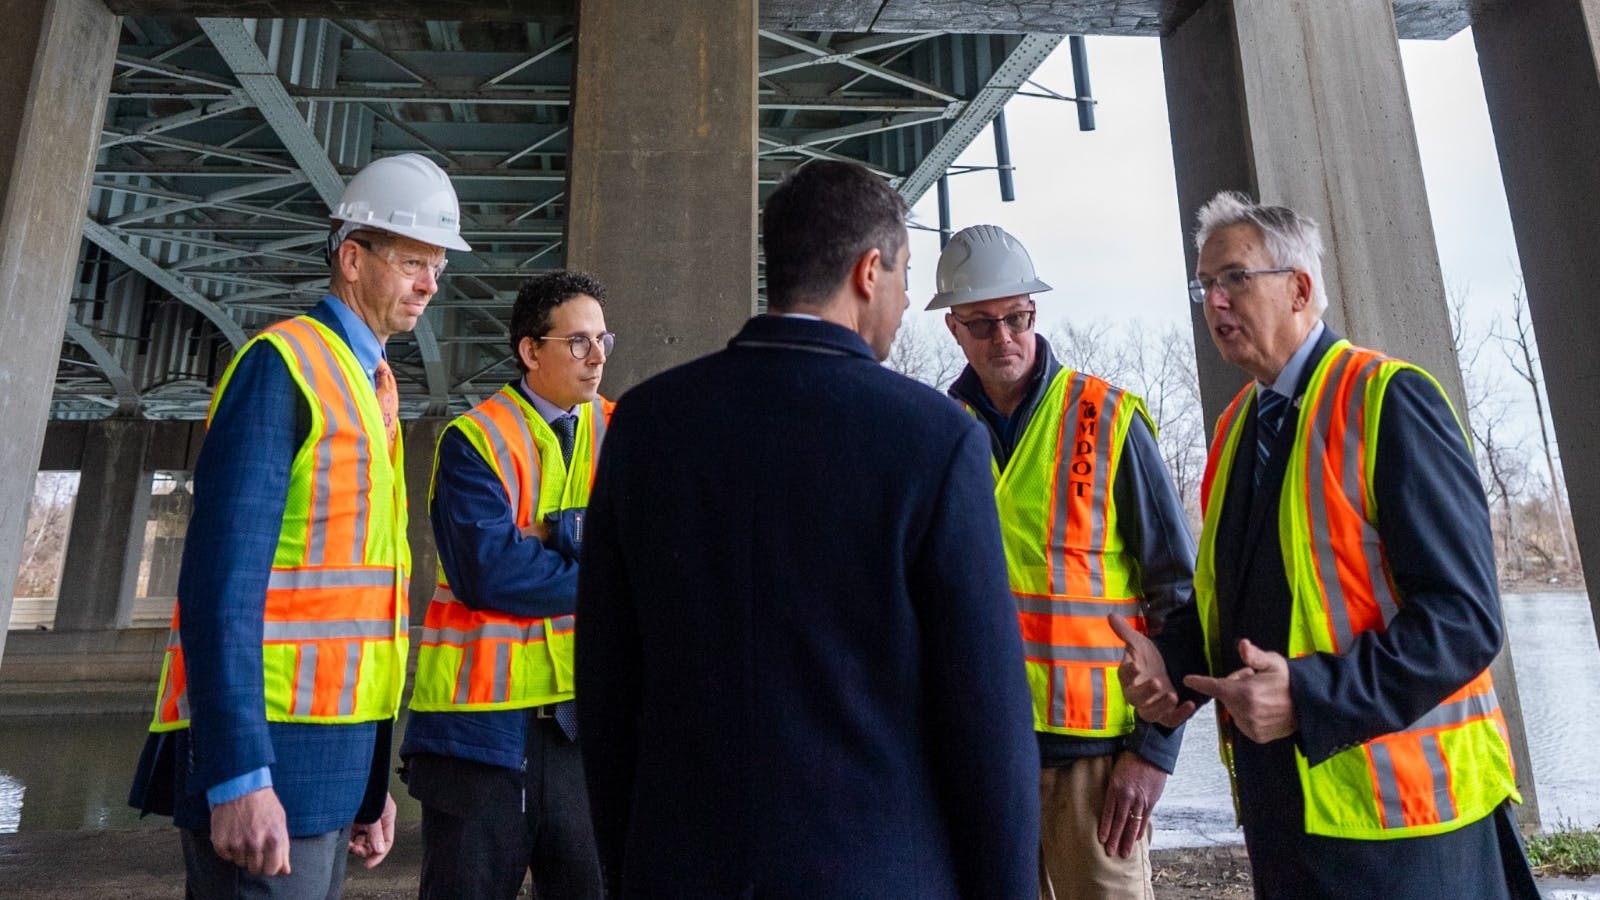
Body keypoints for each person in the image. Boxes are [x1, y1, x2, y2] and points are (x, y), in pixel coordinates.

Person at [574, 159, 1039, 899]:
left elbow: (606, 687)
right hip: (880, 873)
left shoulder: (647, 426)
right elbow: (985, 721)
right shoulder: (934, 441)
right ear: (867, 272)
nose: (906, 297)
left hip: (680, 871)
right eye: (904, 274)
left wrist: (632, 867)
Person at [1111, 191, 1539, 899]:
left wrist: (1309, 697)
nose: (1213, 302)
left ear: (1300, 288)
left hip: (1409, 830)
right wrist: (1173, 668)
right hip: (1291, 814)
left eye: (1233, 280)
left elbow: (1465, 619)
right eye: (1204, 285)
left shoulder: (1389, 399)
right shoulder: (1237, 427)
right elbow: (1245, 602)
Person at [128, 152, 471, 898]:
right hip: (269, 764)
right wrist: (237, 777)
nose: (430, 283)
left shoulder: (369, 384)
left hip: (330, 765)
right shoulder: (282, 367)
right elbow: (221, 584)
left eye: (438, 265)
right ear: (352, 258)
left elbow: (362, 611)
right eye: (414, 260)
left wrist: (370, 781)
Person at [930, 225, 1196, 900]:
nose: (1005, 338)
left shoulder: (1107, 419)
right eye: (983, 324)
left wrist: (1155, 751)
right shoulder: (934, 432)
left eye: (1017, 317)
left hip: (1101, 766)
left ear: (1035, 314)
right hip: (981, 756)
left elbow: (1178, 597)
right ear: (954, 330)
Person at [399, 271, 613, 899]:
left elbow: (656, 557)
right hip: (480, 734)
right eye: (578, 341)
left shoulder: (623, 430)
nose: (597, 355)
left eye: (603, 339)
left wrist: (552, 534)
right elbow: (486, 573)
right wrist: (602, 557)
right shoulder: (475, 439)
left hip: (586, 730)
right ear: (530, 350)